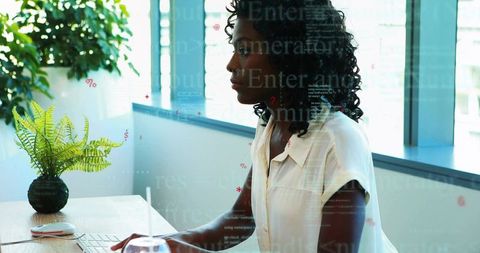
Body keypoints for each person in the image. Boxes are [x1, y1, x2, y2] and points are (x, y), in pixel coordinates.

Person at [112, 0, 399, 252]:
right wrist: (163, 242)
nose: (231, 64)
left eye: (245, 50)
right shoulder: (270, 125)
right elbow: (240, 220)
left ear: (289, 56)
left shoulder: (339, 142)